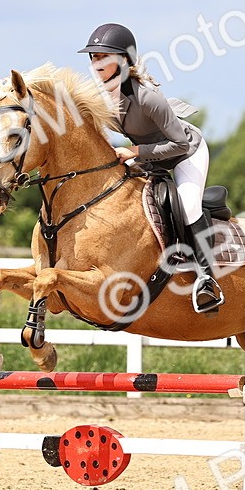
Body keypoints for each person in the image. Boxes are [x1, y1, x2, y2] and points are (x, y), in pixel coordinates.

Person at [78, 22, 224, 314]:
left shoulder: (146, 97)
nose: (96, 64)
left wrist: (133, 151)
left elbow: (180, 144)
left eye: (102, 57)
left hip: (186, 152)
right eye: (93, 57)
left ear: (123, 61)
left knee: (188, 205)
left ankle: (207, 278)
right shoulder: (102, 95)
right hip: (149, 157)